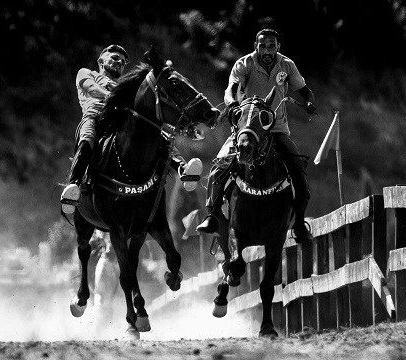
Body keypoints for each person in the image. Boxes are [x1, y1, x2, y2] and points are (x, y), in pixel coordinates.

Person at [196, 29, 316, 243]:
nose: (267, 51)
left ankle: (298, 223)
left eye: (271, 46)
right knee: (218, 168)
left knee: (298, 171)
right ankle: (213, 215)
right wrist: (232, 105)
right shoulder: (244, 64)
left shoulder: (287, 65)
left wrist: (308, 101)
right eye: (263, 46)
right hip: (246, 128)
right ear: (256, 45)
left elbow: (304, 89)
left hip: (276, 128)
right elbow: (231, 89)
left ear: (278, 47)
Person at [60, 45, 202, 214]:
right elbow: (92, 89)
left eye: (122, 62)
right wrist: (117, 97)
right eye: (114, 58)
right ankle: (73, 185)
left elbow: (144, 112)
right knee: (87, 137)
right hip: (95, 118)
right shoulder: (87, 73)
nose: (118, 62)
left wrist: (183, 129)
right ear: (101, 61)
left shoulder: (127, 85)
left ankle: (183, 170)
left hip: (122, 121)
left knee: (156, 133)